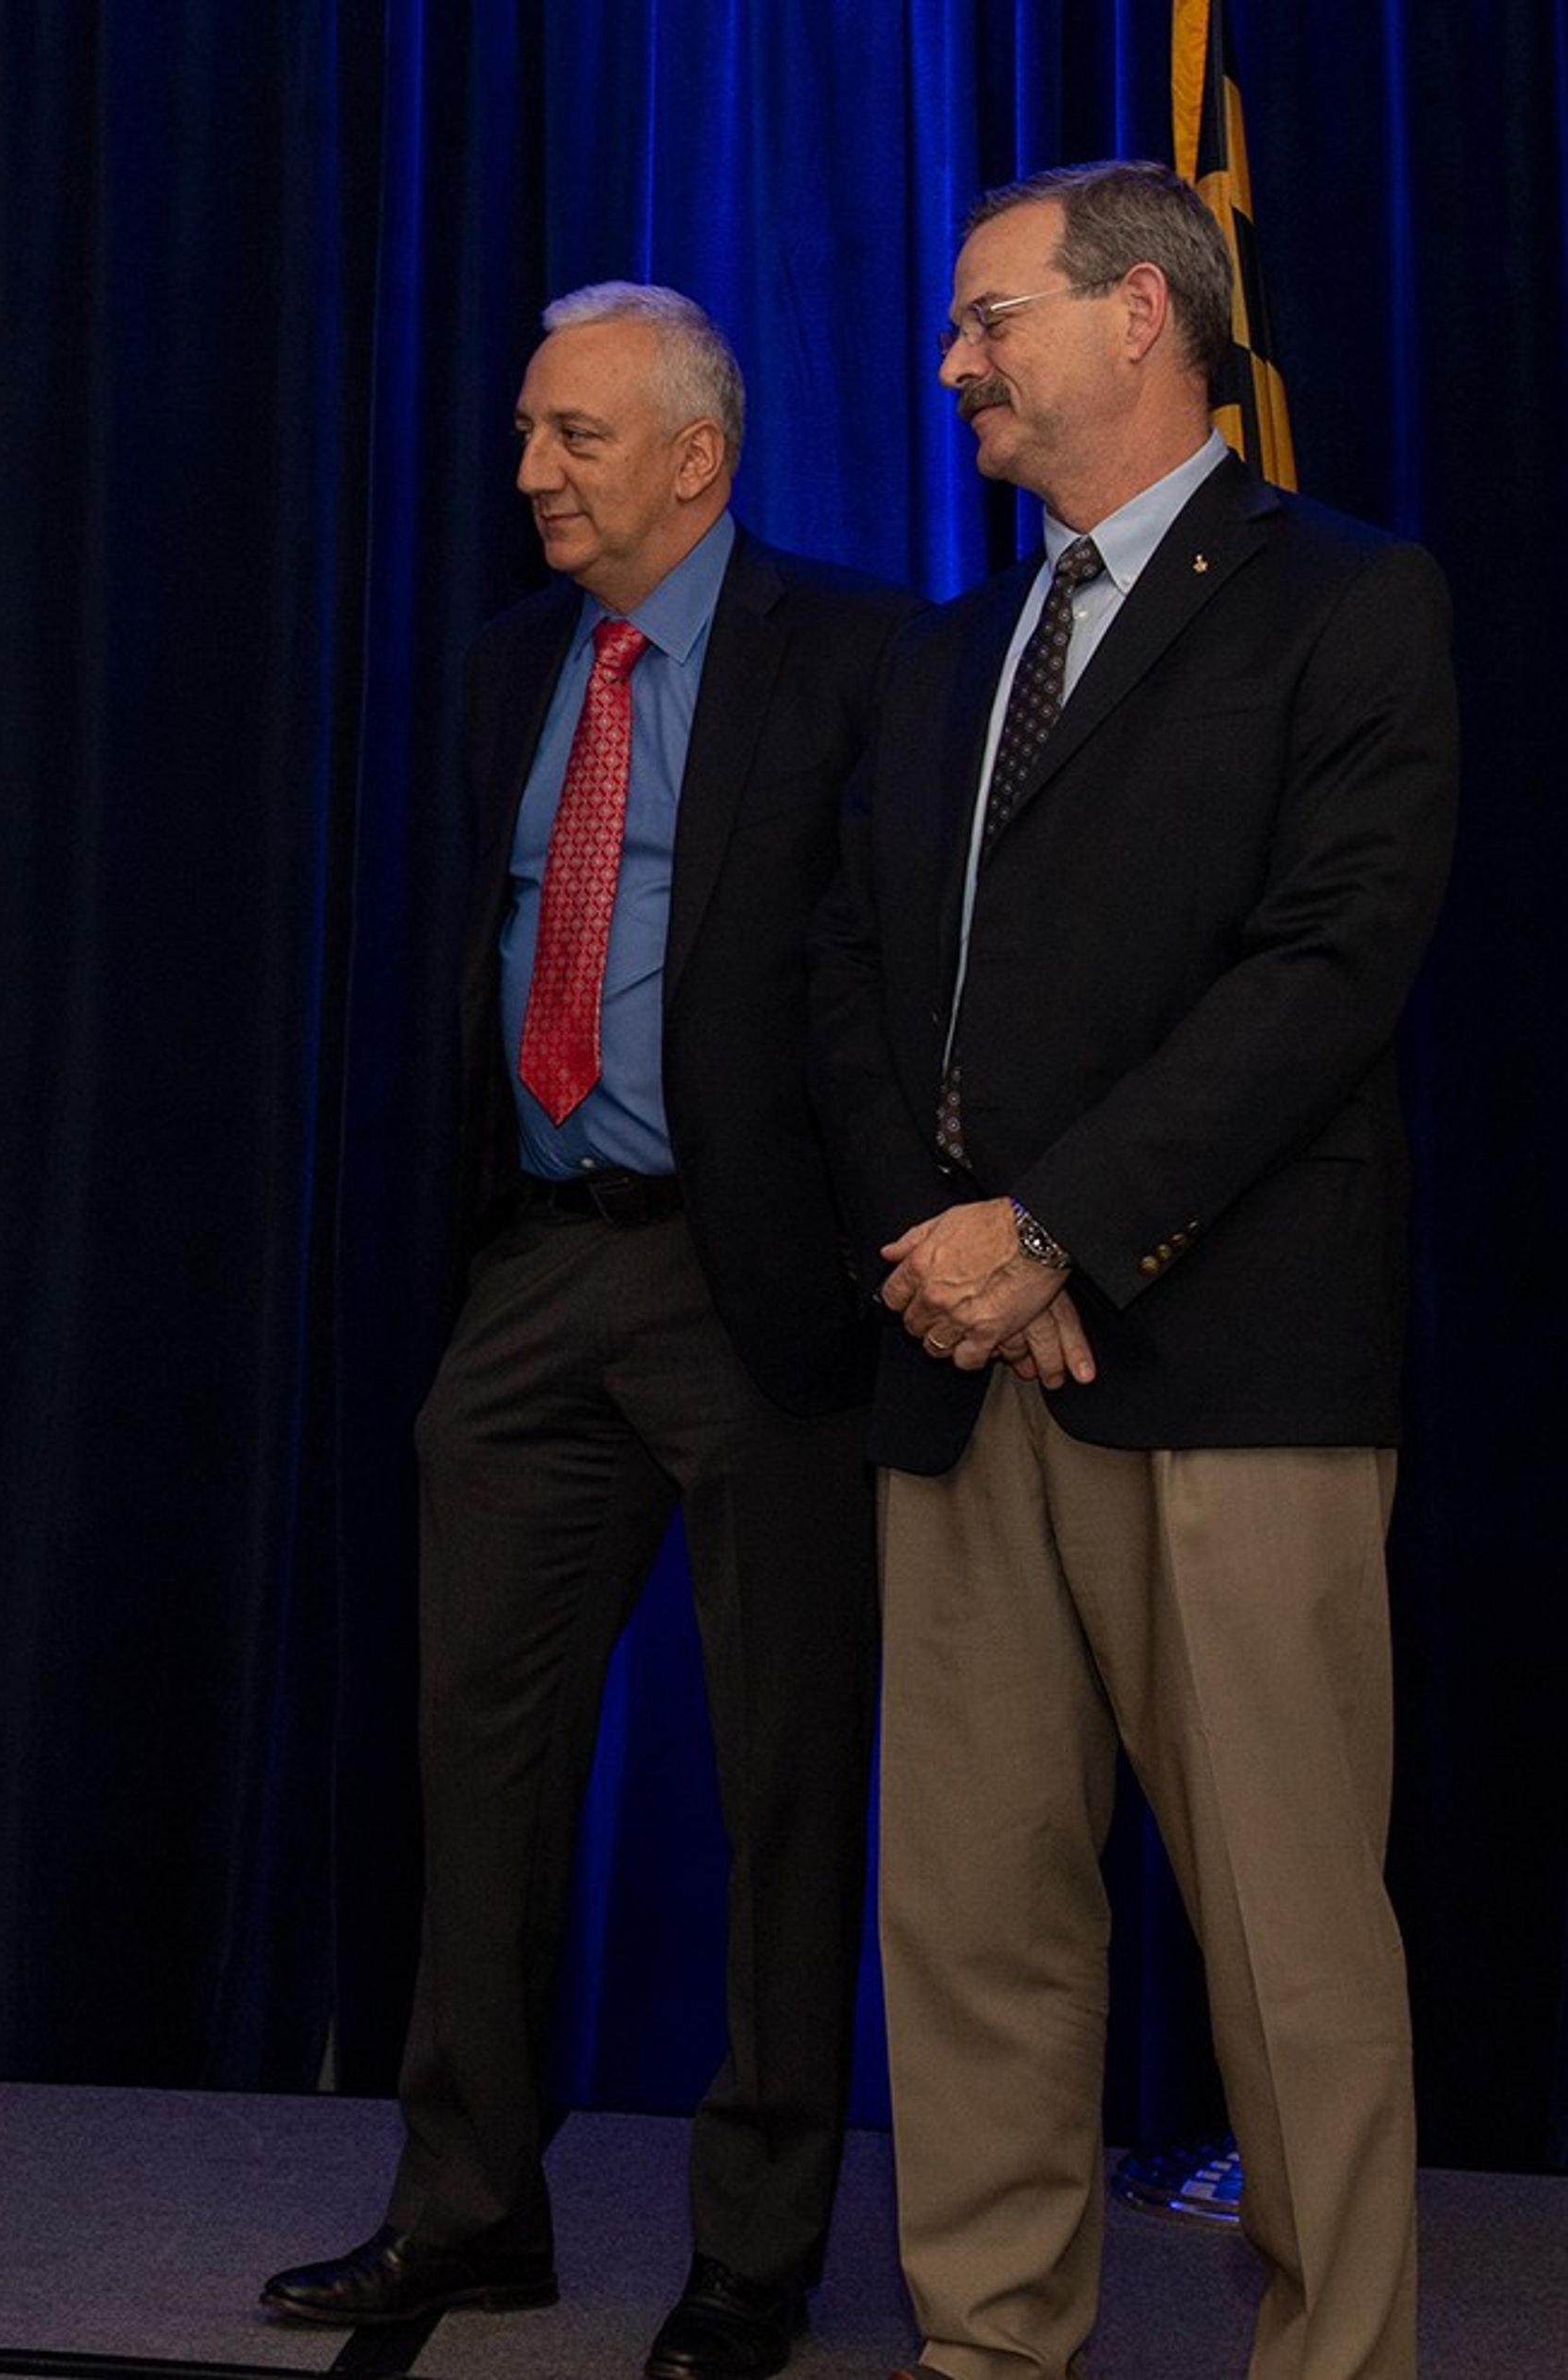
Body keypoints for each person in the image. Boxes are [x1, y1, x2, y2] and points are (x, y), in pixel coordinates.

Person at [809, 161, 1455, 2380]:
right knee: (970, 1925)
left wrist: (1056, 1224)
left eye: (987, 316)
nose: (950, 362)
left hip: (1226, 1369)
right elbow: (849, 975)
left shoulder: (1345, 603)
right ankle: (982, 2347)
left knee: (1287, 1942)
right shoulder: (945, 644)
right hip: (955, 1362)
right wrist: (948, 1246)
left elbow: (1323, 968)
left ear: (1135, 320)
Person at [260, 286, 911, 2380]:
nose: (532, 472)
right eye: (533, 436)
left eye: (576, 438)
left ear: (696, 457)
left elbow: (894, 984)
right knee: (479, 1761)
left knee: (782, 1783)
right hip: (538, 1268)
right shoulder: (501, 672)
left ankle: (756, 2257)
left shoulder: (862, 657)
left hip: (760, 1284)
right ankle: (467, 2215)